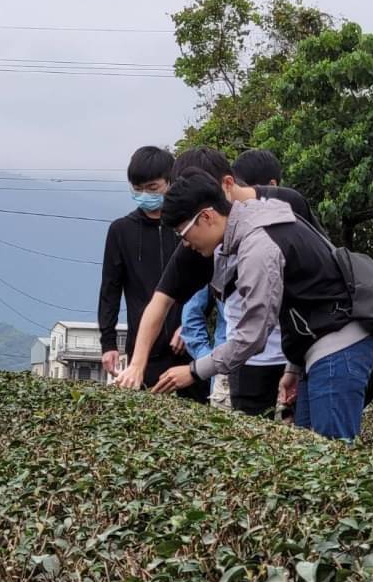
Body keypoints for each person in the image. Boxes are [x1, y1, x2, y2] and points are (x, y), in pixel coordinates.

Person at [150, 172, 373, 441]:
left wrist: (193, 371)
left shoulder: (257, 246)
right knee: (310, 454)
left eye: (183, 233)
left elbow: (252, 336)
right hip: (319, 351)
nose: (186, 244)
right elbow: (303, 297)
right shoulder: (262, 220)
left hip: (339, 349)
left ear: (206, 217)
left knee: (333, 457)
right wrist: (294, 367)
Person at [117, 147, 318, 403]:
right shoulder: (197, 238)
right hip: (245, 359)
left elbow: (322, 264)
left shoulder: (284, 207)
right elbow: (161, 301)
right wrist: (137, 364)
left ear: (226, 184)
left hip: (299, 353)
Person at [98, 146, 203, 401]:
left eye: (152, 188)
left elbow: (204, 282)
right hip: (143, 353)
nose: (145, 195)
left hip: (188, 347)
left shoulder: (187, 228)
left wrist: (189, 323)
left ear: (170, 182)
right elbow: (110, 290)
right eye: (138, 188)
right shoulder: (120, 231)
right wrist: (109, 344)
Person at [179, 286, 230, 409]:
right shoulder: (218, 267)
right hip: (226, 373)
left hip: (279, 370)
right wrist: (209, 362)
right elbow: (192, 317)